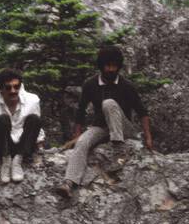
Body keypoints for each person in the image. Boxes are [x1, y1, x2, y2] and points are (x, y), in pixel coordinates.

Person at [55, 45, 153, 200]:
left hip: (124, 128)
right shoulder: (90, 84)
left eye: (114, 66)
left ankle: (118, 147)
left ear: (118, 66)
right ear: (101, 66)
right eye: (107, 65)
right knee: (82, 143)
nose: (111, 69)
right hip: (101, 127)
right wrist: (76, 136)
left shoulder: (127, 86)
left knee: (108, 103)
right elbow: (80, 111)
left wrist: (148, 137)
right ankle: (69, 183)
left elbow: (142, 112)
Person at [0, 69, 45, 184]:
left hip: (24, 144)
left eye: (16, 86)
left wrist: (40, 146)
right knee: (1, 119)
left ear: (20, 86)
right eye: (8, 87)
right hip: (3, 144)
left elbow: (36, 126)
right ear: (0, 89)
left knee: (34, 118)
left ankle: (18, 160)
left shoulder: (32, 100)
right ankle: (6, 161)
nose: (13, 91)